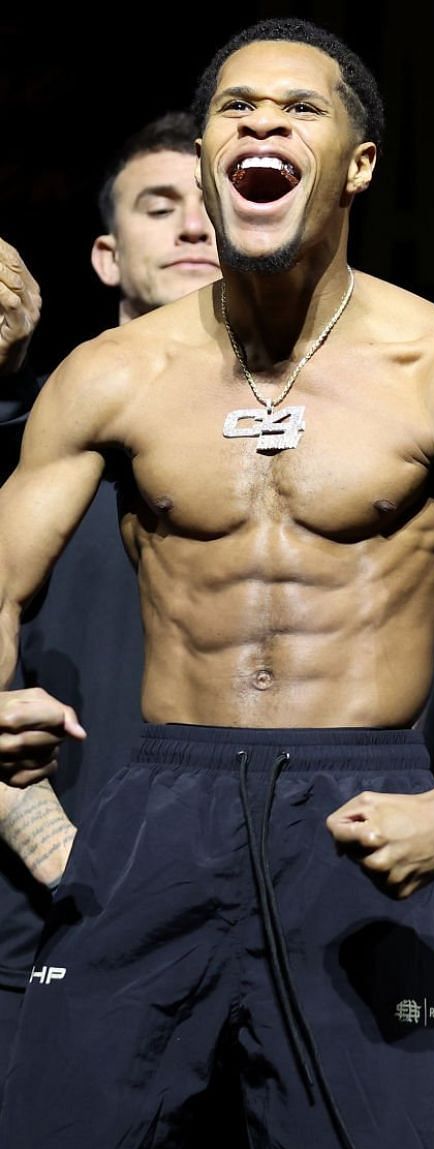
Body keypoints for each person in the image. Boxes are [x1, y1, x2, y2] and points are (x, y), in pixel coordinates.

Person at [0, 17, 434, 1149]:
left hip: (359, 807)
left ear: (359, 165)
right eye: (236, 108)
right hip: (160, 800)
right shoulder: (118, 374)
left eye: (300, 108)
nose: (262, 124)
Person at [0, 113, 217, 1059]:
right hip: (44, 917)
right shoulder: (26, 439)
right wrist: (53, 847)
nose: (194, 229)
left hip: (260, 919)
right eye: (159, 206)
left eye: (215, 204)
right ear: (104, 254)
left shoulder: (338, 453)